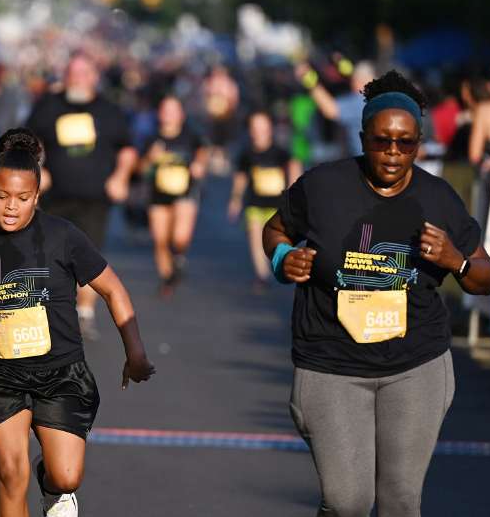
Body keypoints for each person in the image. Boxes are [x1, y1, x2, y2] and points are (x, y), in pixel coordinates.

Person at [262, 71, 490, 517]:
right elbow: (275, 229)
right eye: (382, 141)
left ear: (419, 143)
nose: (392, 153)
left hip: (415, 365)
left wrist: (456, 261)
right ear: (363, 136)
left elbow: (485, 277)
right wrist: (283, 259)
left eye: (405, 143)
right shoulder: (323, 186)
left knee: (401, 497)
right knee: (344, 500)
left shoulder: (437, 198)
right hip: (330, 362)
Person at [0, 128, 154, 517]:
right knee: (8, 468)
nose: (11, 206)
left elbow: (113, 290)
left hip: (61, 375)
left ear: (37, 196)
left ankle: (52, 485)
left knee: (66, 475)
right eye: (2, 196)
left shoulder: (63, 237)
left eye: (22, 198)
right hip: (0, 376)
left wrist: (135, 353)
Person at [25, 53, 137, 339]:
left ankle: (84, 314)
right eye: (72, 73)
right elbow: (28, 140)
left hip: (94, 199)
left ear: (94, 77)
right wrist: (38, 167)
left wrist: (121, 177)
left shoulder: (109, 110)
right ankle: (52, 312)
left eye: (83, 73)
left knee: (88, 257)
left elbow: (126, 148)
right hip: (54, 197)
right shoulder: (49, 106)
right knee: (51, 256)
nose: (77, 79)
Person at [137, 95, 210, 294]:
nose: (169, 115)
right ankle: (167, 278)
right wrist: (150, 159)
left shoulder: (191, 135)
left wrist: (199, 164)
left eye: (173, 111)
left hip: (185, 191)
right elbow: (140, 169)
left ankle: (178, 257)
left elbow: (203, 151)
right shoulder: (152, 138)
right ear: (159, 114)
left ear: (181, 114)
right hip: (158, 193)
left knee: (180, 237)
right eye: (165, 110)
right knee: (160, 240)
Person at [228, 110, 301, 292]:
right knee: (255, 236)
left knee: (277, 241)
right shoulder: (246, 154)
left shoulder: (280, 152)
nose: (259, 132)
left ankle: (281, 266)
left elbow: (293, 167)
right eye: (255, 127)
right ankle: (262, 275)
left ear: (270, 128)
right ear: (250, 130)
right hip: (255, 203)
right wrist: (235, 200)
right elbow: (240, 178)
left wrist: (293, 195)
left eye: (262, 127)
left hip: (277, 206)